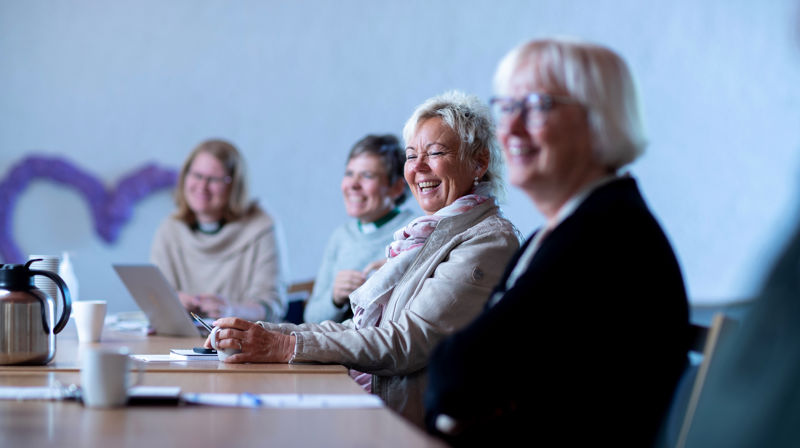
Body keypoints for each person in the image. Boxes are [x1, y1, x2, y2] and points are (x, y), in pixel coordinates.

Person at [424, 38, 691, 446]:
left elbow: (457, 374)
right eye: (507, 107)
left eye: (536, 106)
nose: (509, 129)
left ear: (599, 119)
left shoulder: (605, 238)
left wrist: (454, 397)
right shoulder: (561, 231)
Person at [206, 91, 520, 427]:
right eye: (412, 156)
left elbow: (406, 344)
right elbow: (356, 329)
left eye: (436, 153)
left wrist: (283, 345)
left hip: (413, 428)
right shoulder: (426, 235)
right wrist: (261, 332)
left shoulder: (488, 239)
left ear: (480, 162)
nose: (418, 168)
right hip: (378, 410)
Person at [150, 139, 286, 322]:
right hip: (177, 343)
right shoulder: (170, 228)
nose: (202, 186)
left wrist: (231, 310)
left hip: (240, 343)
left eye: (213, 179)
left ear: (234, 185)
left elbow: (272, 307)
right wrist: (173, 301)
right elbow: (155, 296)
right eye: (197, 175)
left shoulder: (262, 227)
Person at [303, 134, 415, 324]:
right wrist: (334, 300)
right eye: (349, 173)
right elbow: (310, 319)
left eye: (367, 176)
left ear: (396, 188)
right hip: (336, 346)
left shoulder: (413, 233)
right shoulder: (340, 237)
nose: (353, 185)